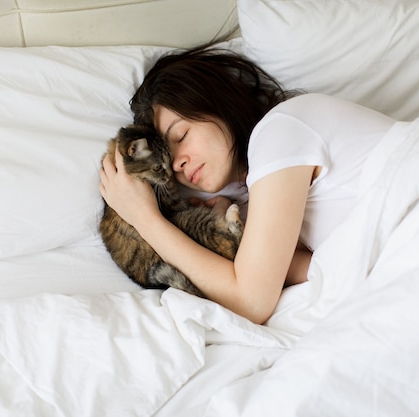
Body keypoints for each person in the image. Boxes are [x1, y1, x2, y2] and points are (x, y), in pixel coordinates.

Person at [99, 46, 395, 324]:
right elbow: (326, 267)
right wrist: (246, 246)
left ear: (215, 103)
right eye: (169, 159)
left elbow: (251, 302)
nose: (177, 164)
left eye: (181, 136)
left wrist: (144, 218)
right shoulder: (267, 186)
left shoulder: (280, 130)